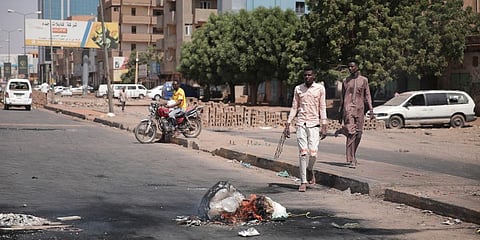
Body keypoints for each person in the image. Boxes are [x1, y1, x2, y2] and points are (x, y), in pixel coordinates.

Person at [284, 66, 328, 192]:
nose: (307, 77)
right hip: (301, 124)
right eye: (305, 75)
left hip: (314, 124)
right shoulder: (298, 89)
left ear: (314, 76)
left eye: (309, 75)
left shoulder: (320, 88)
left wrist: (324, 124)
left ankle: (309, 169)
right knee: (303, 153)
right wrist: (288, 123)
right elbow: (294, 107)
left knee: (313, 153)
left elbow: (322, 107)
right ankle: (303, 181)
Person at [336, 60, 374, 168]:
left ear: (357, 67)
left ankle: (353, 154)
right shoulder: (345, 81)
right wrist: (340, 113)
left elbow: (367, 95)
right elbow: (342, 98)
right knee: (351, 132)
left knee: (359, 134)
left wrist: (371, 109)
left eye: (352, 66)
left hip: (360, 109)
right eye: (349, 67)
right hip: (348, 109)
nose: (350, 69)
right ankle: (351, 159)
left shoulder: (364, 80)